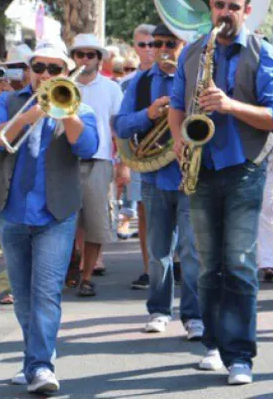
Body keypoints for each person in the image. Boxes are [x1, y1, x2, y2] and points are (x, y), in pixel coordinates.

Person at [168, 0, 273, 385]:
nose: (224, 13)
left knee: (238, 264)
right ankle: (214, 345)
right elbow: (176, 104)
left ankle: (240, 355)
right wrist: (180, 140)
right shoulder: (194, 52)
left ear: (246, 11)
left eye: (232, 7)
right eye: (218, 6)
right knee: (205, 266)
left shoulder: (263, 52)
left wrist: (230, 104)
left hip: (244, 169)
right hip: (202, 168)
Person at [0, 38, 99, 394]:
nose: (45, 74)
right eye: (39, 67)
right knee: (23, 295)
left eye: (54, 69)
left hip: (55, 215)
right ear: (29, 70)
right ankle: (35, 360)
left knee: (46, 294)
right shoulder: (7, 101)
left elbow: (88, 147)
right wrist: (30, 114)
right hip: (12, 212)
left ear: (65, 72)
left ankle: (42, 366)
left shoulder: (78, 104)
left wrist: (67, 111)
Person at [114, 23, 202, 340]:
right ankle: (159, 311)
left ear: (184, 45)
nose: (162, 48)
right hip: (154, 177)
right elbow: (121, 126)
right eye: (157, 43)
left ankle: (193, 316)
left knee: (192, 252)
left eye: (170, 43)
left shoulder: (197, 79)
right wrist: (148, 115)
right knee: (158, 251)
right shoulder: (140, 82)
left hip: (189, 175)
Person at [68, 33, 124, 297]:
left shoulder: (112, 88)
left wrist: (123, 163)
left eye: (91, 54)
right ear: (74, 58)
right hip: (65, 161)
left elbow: (119, 129)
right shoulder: (65, 85)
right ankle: (69, 267)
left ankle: (87, 276)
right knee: (62, 219)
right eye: (80, 54)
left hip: (99, 161)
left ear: (99, 59)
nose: (86, 59)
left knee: (96, 222)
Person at [120, 24, 156, 289]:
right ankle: (148, 268)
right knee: (143, 211)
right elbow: (119, 127)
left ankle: (174, 264)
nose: (148, 50)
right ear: (135, 47)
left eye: (153, 44)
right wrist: (123, 162)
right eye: (142, 45)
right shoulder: (126, 84)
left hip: (171, 153)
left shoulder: (177, 76)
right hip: (139, 154)